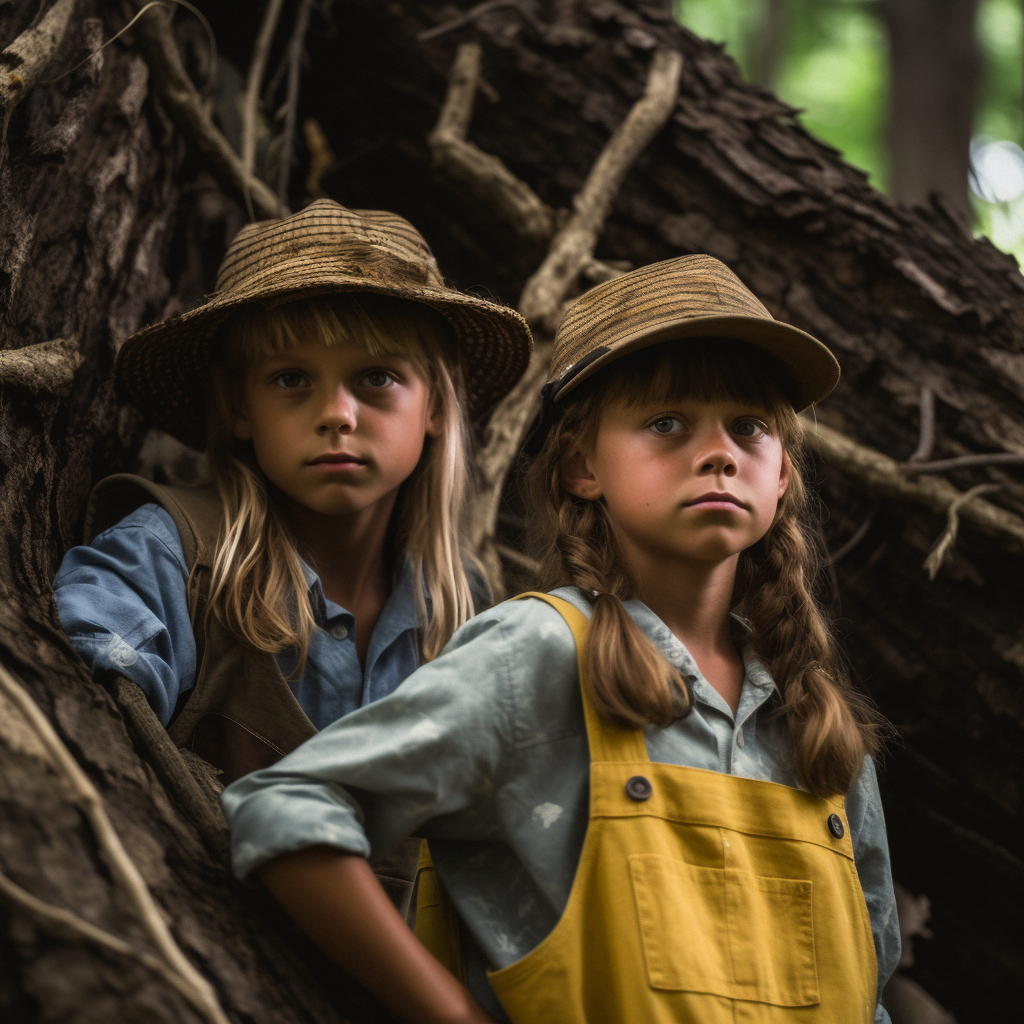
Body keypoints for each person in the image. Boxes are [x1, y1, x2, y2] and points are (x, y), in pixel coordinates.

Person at [220, 255, 901, 1024]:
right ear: (582, 466)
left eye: (749, 427)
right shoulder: (537, 653)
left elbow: (871, 991)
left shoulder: (820, 723)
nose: (719, 452)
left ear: (781, 474)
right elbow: (290, 803)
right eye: (666, 423)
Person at [52, 199, 532, 913]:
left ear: (435, 406)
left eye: (376, 379)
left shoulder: (462, 607)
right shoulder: (173, 555)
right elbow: (73, 692)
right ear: (237, 406)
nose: (336, 412)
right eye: (291, 379)